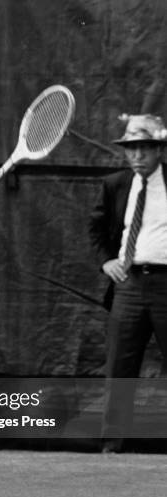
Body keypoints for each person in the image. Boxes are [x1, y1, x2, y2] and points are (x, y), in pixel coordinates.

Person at [89, 114, 167, 453]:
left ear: (159, 150)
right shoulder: (115, 184)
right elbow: (97, 229)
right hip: (129, 286)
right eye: (130, 149)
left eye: (144, 149)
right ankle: (113, 446)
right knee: (120, 366)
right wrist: (107, 261)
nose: (136, 156)